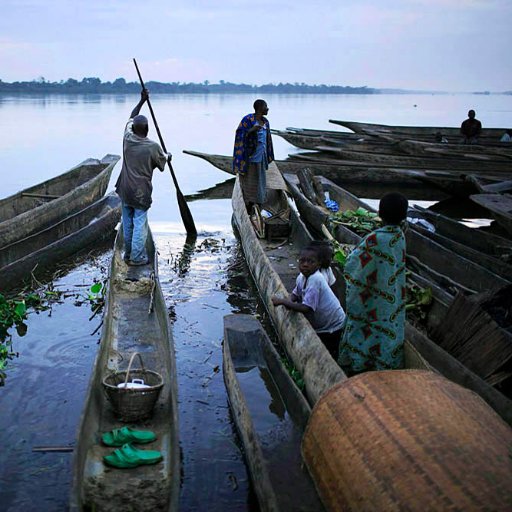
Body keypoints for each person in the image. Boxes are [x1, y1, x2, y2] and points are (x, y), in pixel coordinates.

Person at [338, 192, 408, 374]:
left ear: (379, 212)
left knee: (364, 326)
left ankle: (357, 364)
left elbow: (353, 264)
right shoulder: (399, 236)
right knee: (385, 328)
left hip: (371, 296)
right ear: (404, 216)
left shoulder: (375, 239)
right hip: (390, 295)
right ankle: (383, 364)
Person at [115, 89, 169, 265]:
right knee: (139, 223)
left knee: (128, 221)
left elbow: (131, 117)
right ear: (147, 129)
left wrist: (141, 101)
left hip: (124, 188)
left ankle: (128, 254)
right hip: (140, 192)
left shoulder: (127, 138)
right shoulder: (153, 147)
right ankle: (136, 258)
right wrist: (168, 157)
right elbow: (161, 164)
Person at [271, 245, 346, 359]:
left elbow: (307, 308)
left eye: (311, 262)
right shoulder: (302, 277)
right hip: (324, 324)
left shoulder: (315, 279)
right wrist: (289, 301)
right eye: (302, 261)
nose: (305, 264)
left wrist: (283, 302)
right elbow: (295, 294)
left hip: (333, 326)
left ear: (318, 264)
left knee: (328, 355)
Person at [233, 99, 275, 212]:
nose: (267, 109)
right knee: (249, 182)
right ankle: (249, 204)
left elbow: (268, 140)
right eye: (266, 106)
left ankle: (258, 203)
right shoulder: (248, 120)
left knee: (260, 181)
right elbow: (240, 135)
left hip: (262, 157)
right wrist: (252, 130)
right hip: (250, 157)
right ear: (260, 108)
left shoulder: (265, 122)